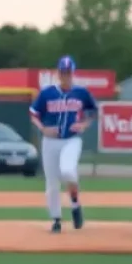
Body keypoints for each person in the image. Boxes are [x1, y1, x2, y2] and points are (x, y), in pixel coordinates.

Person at [29, 56, 97, 233]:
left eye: (68, 72)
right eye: (62, 72)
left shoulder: (81, 93)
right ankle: (56, 219)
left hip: (71, 139)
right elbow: (33, 113)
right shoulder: (47, 93)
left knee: (68, 171)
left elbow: (94, 111)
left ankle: (75, 203)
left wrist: (84, 124)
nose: (65, 75)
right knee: (52, 183)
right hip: (50, 141)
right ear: (58, 73)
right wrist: (43, 128)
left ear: (73, 73)